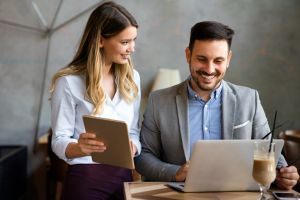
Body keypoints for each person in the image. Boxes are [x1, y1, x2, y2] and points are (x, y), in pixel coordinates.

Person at [135, 21, 299, 190]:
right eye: (201, 59)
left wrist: (285, 174)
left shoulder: (250, 99)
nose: (209, 69)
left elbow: (271, 153)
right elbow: (143, 157)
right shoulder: (159, 101)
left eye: (218, 60)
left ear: (228, 59)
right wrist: (176, 172)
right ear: (188, 55)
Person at [50, 1, 141, 199]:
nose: (131, 48)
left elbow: (133, 130)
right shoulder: (68, 83)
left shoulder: (132, 78)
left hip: (124, 178)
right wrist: (78, 147)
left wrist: (134, 145)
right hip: (86, 178)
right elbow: (58, 140)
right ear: (100, 40)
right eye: (125, 42)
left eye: (133, 40)